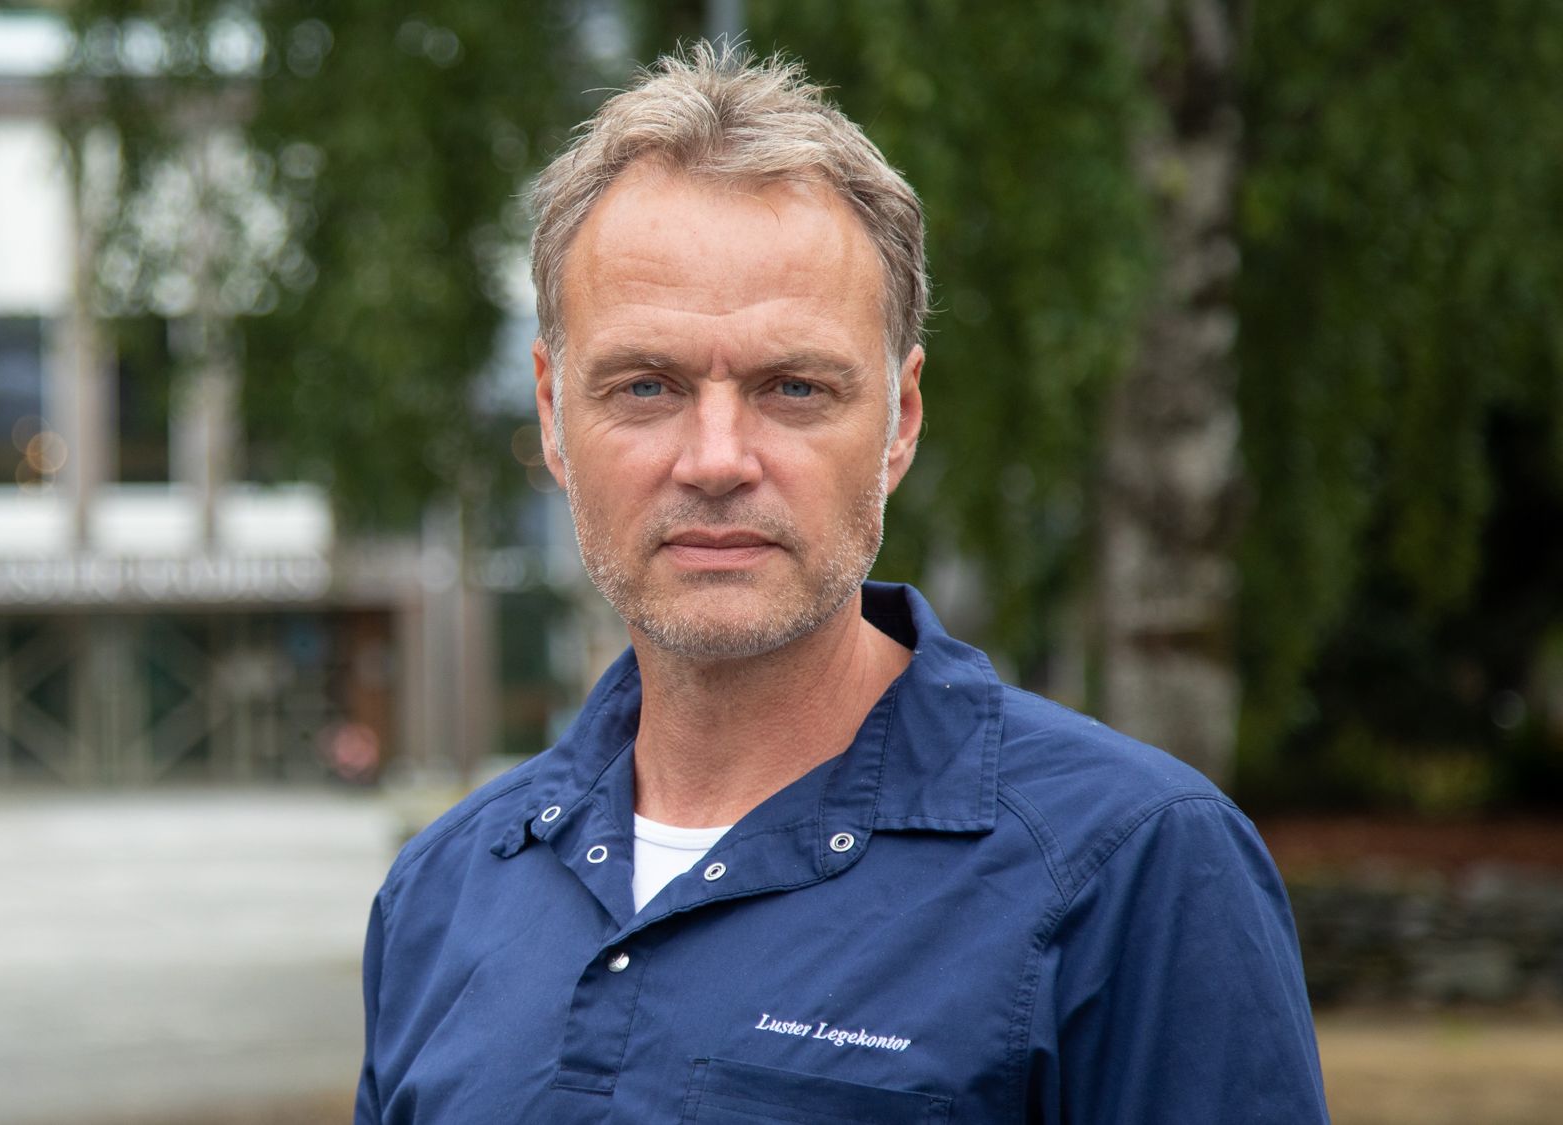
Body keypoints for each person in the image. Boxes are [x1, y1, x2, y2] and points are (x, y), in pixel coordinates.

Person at [356, 44, 1327, 1124]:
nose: (715, 459)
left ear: (900, 421)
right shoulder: (443, 890)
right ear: (550, 414)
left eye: (793, 388)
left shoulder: (1132, 869)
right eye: (645, 386)